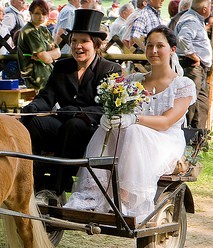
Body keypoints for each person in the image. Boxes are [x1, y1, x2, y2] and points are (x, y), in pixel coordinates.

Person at [64, 26, 196, 221]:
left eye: (160, 46)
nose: (153, 51)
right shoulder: (134, 80)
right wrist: (109, 116)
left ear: (172, 50)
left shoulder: (183, 84)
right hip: (133, 134)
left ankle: (124, 198)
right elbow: (120, 111)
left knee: (133, 131)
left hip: (165, 140)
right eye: (149, 46)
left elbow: (167, 122)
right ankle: (94, 192)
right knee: (108, 128)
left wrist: (135, 118)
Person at [21, 9, 122, 194]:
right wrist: (30, 109)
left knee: (74, 124)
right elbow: (47, 97)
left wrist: (75, 111)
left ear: (96, 44)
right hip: (64, 124)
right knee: (34, 122)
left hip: (93, 130)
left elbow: (106, 108)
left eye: (84, 41)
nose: (78, 46)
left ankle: (57, 188)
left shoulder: (110, 69)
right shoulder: (62, 67)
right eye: (74, 41)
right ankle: (31, 183)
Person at [175, 0, 213, 129]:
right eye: (209, 6)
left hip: (197, 67)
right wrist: (194, 56)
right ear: (204, 9)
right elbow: (183, 38)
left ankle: (198, 136)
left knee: (201, 103)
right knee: (189, 101)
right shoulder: (191, 20)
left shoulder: (195, 19)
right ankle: (185, 134)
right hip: (191, 66)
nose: (211, 8)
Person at [17, 0, 61, 92]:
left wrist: (46, 55)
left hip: (48, 76)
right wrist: (48, 56)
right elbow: (46, 59)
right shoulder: (29, 31)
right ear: (30, 13)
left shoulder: (43, 30)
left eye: (44, 14)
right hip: (35, 80)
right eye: (37, 13)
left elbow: (58, 53)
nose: (41, 17)